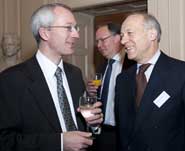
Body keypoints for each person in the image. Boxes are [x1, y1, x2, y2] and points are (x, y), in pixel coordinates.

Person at [0, 3, 103, 151]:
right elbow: (5, 141)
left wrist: (93, 124)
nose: (76, 34)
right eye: (68, 28)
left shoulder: (75, 74)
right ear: (45, 33)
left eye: (76, 28)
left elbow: (81, 123)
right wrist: (59, 143)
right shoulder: (12, 79)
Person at [115, 12, 185, 151]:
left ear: (152, 34)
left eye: (129, 33)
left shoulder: (181, 73)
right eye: (122, 36)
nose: (122, 41)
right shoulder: (122, 79)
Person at [87, 23, 135, 151]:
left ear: (117, 38)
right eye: (97, 42)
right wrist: (91, 94)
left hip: (124, 133)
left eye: (102, 40)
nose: (98, 46)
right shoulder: (102, 67)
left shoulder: (133, 65)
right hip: (102, 133)